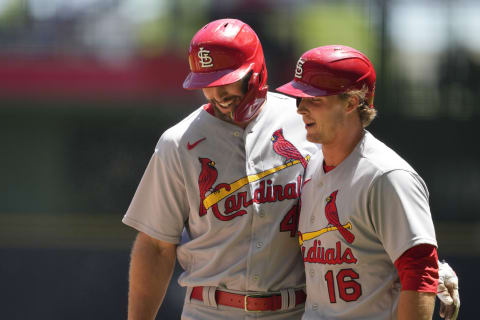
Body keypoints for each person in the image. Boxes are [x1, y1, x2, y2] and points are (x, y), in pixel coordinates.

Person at [122, 19, 459, 320]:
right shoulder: (178, 142)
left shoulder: (309, 124)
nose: (216, 93)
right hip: (209, 308)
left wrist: (425, 267)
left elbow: (365, 197)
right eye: (206, 82)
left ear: (255, 73)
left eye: (227, 80)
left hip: (294, 309)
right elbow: (154, 245)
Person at [276, 45, 460, 319]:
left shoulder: (387, 176)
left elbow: (420, 272)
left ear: (351, 102)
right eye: (299, 98)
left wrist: (432, 270)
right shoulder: (313, 166)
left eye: (314, 99)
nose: (301, 108)